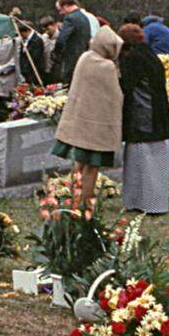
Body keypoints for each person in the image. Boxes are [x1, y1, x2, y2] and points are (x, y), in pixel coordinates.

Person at [51, 25, 124, 215]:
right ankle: (85, 203)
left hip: (80, 121)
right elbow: (115, 95)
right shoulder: (107, 67)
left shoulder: (84, 58)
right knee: (91, 167)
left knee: (79, 163)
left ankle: (73, 198)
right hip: (97, 125)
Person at [117, 24, 169, 215]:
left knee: (140, 160)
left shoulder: (132, 59)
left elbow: (126, 85)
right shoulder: (151, 56)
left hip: (143, 115)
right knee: (155, 164)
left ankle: (142, 202)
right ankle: (154, 202)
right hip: (158, 114)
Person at [54, 0, 93, 86]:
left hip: (70, 58)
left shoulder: (70, 18)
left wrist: (57, 53)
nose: (60, 13)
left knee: (68, 84)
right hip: (83, 57)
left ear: (66, 6)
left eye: (60, 10)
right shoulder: (85, 18)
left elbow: (61, 39)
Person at [0, 35, 20, 122]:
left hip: (10, 78)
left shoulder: (15, 40)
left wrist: (2, 69)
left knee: (11, 103)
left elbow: (16, 59)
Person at [17, 20, 46, 88]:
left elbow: (35, 58)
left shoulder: (37, 40)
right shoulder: (24, 41)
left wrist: (26, 68)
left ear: (27, 31)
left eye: (21, 34)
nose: (20, 36)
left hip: (35, 72)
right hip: (26, 73)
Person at [39, 15, 60, 85]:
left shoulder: (61, 37)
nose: (46, 32)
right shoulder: (43, 38)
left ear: (54, 25)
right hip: (46, 70)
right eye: (44, 30)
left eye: (48, 29)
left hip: (57, 71)